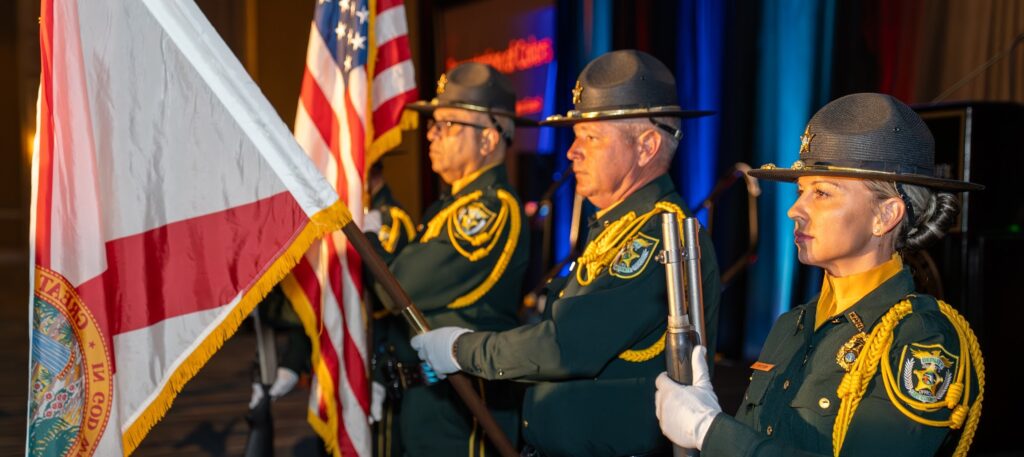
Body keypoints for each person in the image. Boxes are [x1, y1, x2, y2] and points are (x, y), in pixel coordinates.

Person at [411, 50, 722, 456]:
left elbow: (566, 344)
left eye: (590, 138)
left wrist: (461, 350)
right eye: (575, 136)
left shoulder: (659, 236)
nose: (572, 151)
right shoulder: (616, 228)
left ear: (645, 147)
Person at [654, 93, 985, 456]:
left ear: (885, 216)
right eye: (801, 191)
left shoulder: (920, 339)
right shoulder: (792, 324)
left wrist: (710, 431)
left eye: (823, 193)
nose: (795, 209)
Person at [377, 62, 532, 456]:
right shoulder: (448, 207)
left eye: (447, 125)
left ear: (488, 140)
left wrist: (368, 237)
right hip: (426, 399)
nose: (431, 134)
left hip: (460, 408)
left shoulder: (489, 210)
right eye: (435, 124)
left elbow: (396, 287)